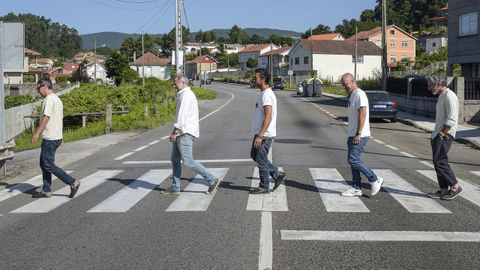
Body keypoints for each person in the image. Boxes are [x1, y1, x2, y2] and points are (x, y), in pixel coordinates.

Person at [163, 73, 220, 195]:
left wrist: (175, 131)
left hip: (185, 132)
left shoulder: (186, 95)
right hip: (183, 132)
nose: (174, 85)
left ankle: (212, 179)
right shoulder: (183, 94)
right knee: (175, 159)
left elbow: (182, 116)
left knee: (188, 160)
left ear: (183, 82)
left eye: (176, 83)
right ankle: (175, 187)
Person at [32, 78, 80, 198]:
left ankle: (72, 182)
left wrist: (37, 132)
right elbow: (58, 118)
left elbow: (47, 117)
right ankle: (46, 189)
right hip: (55, 136)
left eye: (38, 88)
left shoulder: (49, 99)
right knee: (44, 164)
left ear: (44, 86)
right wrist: (61, 137)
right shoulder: (57, 99)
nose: (38, 91)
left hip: (50, 137)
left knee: (47, 164)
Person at [340, 73, 383, 197]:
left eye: (346, 84)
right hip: (352, 134)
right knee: (354, 161)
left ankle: (374, 179)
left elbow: (362, 114)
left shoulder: (359, 94)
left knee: (352, 159)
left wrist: (358, 133)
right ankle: (356, 187)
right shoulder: (352, 95)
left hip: (360, 134)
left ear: (353, 81)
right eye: (343, 84)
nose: (344, 87)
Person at [425, 74, 462, 200]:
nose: (429, 88)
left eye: (431, 85)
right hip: (438, 134)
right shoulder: (441, 96)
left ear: (439, 84)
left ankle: (455, 186)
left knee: (440, 162)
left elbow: (452, 118)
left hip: (445, 135)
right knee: (437, 163)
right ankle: (443, 190)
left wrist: (442, 134)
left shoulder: (449, 96)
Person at [249, 68, 285, 194]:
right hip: (262, 133)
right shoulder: (264, 94)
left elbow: (268, 116)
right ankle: (276, 174)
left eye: (256, 78)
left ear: (263, 80)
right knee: (255, 155)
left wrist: (260, 135)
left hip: (263, 134)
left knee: (260, 158)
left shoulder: (267, 95)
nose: (254, 79)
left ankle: (264, 186)